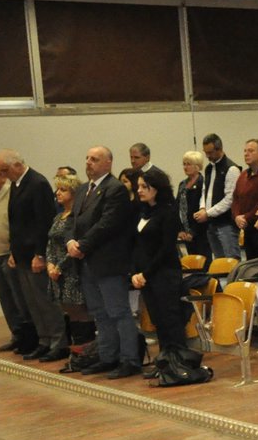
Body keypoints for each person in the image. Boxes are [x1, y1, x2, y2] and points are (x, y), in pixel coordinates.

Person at [68, 146, 141, 379]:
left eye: (94, 159)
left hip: (108, 261)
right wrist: (70, 240)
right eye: (87, 158)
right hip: (87, 261)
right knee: (100, 314)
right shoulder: (82, 190)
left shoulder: (115, 189)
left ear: (108, 163)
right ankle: (108, 357)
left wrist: (82, 245)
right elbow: (74, 220)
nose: (88, 162)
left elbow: (107, 224)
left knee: (118, 311)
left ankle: (130, 359)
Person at [0, 150, 66, 362]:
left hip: (36, 254)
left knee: (45, 300)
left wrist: (40, 254)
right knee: (32, 302)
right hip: (22, 254)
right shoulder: (17, 185)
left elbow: (43, 221)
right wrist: (14, 252)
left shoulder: (37, 183)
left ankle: (58, 342)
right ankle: (43, 340)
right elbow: (16, 222)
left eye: (5, 170)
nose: (3, 175)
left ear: (17, 165)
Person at [129, 169, 190, 367]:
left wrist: (146, 273)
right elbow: (137, 246)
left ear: (156, 189)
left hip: (164, 273)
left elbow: (165, 249)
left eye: (143, 187)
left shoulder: (168, 212)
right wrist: (135, 273)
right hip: (146, 274)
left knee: (170, 319)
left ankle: (178, 361)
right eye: (138, 186)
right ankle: (165, 361)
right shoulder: (142, 211)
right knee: (158, 321)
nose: (139, 190)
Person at [0, 161, 32, 354]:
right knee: (5, 297)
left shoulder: (10, 195)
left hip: (9, 253)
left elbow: (17, 225)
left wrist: (14, 250)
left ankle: (28, 336)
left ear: (3, 176)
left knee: (18, 296)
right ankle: (16, 334)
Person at [43, 173, 91, 360]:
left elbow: (75, 245)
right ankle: (76, 352)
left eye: (63, 190)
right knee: (69, 311)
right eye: (58, 189)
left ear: (74, 193)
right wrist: (49, 264)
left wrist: (60, 267)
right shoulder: (58, 217)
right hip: (56, 271)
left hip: (71, 270)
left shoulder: (78, 217)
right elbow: (51, 244)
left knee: (80, 310)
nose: (58, 193)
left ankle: (86, 351)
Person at [195, 134, 241, 260]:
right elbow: (206, 191)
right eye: (206, 152)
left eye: (210, 152)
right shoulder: (209, 168)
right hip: (211, 223)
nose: (207, 156)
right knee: (219, 263)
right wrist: (202, 208)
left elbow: (229, 199)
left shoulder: (231, 169)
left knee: (231, 261)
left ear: (219, 149)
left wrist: (208, 213)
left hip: (226, 224)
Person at [231, 139, 258, 260]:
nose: (246, 154)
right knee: (251, 265)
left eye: (250, 151)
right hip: (246, 228)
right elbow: (235, 198)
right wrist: (236, 216)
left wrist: (245, 217)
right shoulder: (243, 175)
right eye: (245, 151)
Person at [175, 150, 210, 258]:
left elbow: (202, 208)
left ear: (197, 166)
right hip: (185, 230)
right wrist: (180, 229)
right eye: (184, 164)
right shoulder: (182, 184)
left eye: (189, 164)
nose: (185, 167)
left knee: (203, 260)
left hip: (200, 231)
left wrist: (193, 232)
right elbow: (177, 207)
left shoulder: (203, 183)